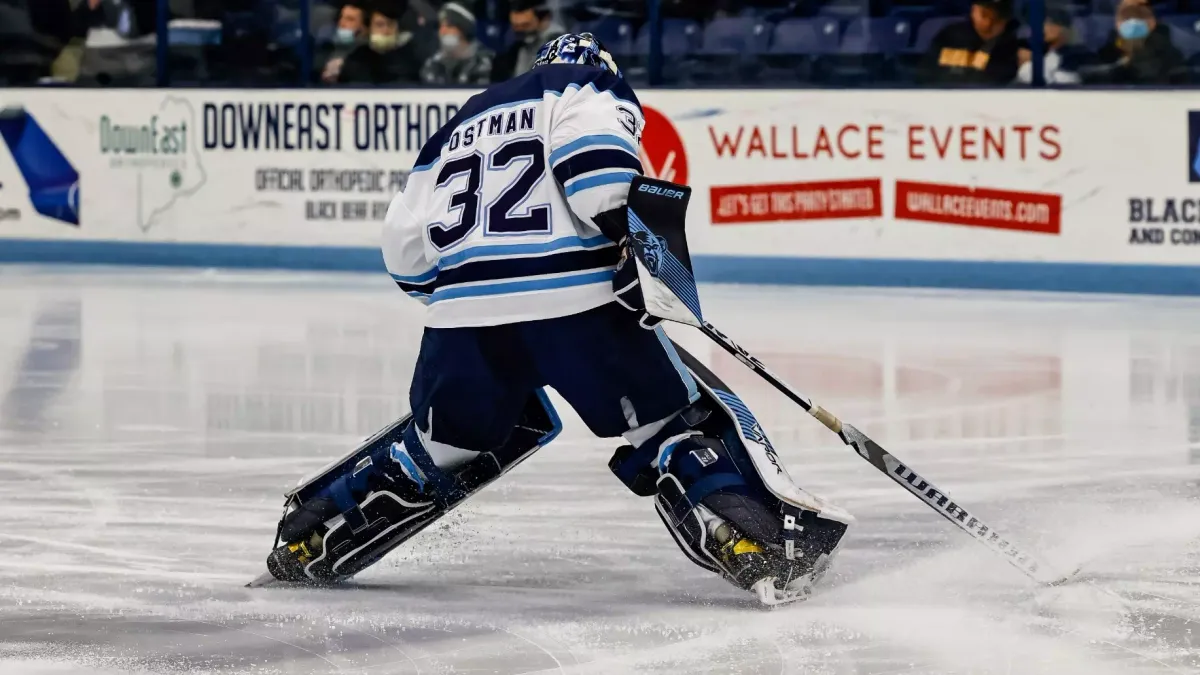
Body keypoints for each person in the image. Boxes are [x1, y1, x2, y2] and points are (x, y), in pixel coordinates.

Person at [259, 33, 852, 606]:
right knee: (672, 424)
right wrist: (637, 252)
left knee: (441, 447)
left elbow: (404, 254)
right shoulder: (584, 86)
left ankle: (315, 530)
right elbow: (596, 174)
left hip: (461, 318)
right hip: (576, 307)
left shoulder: (459, 122)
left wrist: (470, 295)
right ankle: (746, 535)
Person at [919, 0, 1025, 86]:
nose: (988, 24)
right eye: (984, 15)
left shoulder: (1014, 47)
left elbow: (1000, 82)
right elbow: (925, 75)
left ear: (1007, 19)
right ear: (974, 10)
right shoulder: (949, 36)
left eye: (997, 19)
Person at [1092, 1, 1183, 84]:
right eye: (1127, 16)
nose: (1133, 20)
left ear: (1153, 22)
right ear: (1117, 23)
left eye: (1140, 15)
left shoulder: (1169, 54)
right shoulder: (1104, 56)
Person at [338, 0, 426, 85]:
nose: (386, 31)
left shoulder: (409, 61)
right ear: (369, 29)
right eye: (379, 25)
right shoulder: (356, 60)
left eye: (390, 24)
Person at [419, 1, 494, 85]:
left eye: (449, 26)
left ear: (463, 30)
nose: (442, 31)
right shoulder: (433, 64)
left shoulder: (483, 63)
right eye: (440, 26)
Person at [491, 0, 564, 81]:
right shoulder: (512, 46)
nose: (520, 30)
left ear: (544, 21)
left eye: (525, 25)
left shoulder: (559, 45)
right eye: (516, 26)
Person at [1016, 7, 1087, 85]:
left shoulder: (1075, 55)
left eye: (1048, 23)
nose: (1043, 28)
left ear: (1062, 28)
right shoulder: (1040, 50)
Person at [320, 1, 367, 84]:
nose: (342, 23)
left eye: (350, 19)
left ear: (363, 28)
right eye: (341, 17)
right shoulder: (328, 48)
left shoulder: (366, 56)